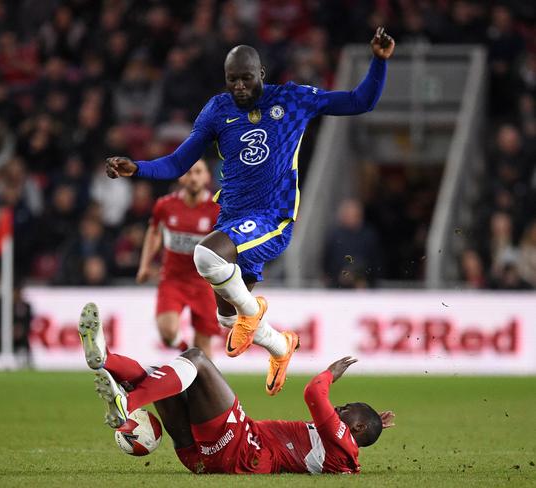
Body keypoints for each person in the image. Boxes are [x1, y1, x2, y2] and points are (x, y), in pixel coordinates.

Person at [106, 28, 396, 395]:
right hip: (234, 218)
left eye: (245, 78)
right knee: (226, 318)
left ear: (262, 74)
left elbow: (360, 101)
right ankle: (280, 345)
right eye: (232, 80)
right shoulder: (218, 109)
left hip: (272, 218)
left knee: (206, 255)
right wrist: (139, 168)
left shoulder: (292, 99)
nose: (239, 87)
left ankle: (252, 310)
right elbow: (179, 161)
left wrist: (379, 62)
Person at [77, 302, 395, 474]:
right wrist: (374, 423)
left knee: (197, 360)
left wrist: (331, 372)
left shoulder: (339, 437)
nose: (337, 409)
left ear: (357, 426)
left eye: (345, 410)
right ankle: (107, 361)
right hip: (199, 458)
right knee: (168, 381)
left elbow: (313, 392)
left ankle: (127, 401)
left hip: (242, 448)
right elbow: (351, 436)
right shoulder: (346, 448)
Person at [136, 159, 221, 358]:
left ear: (207, 177)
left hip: (205, 283)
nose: (193, 177)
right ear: (182, 176)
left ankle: (204, 386)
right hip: (173, 279)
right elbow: (155, 232)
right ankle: (184, 349)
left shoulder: (217, 209)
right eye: (189, 172)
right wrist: (145, 265)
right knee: (167, 332)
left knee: (203, 344)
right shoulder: (166, 206)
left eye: (199, 172)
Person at [0, 281, 34, 368]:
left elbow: (28, 323)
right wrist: (5, 331)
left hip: (19, 338)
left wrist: (20, 330)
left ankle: (29, 365)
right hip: (0, 337)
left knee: (25, 343)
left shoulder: (25, 306)